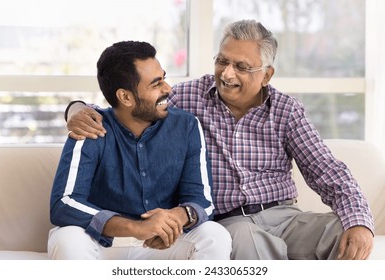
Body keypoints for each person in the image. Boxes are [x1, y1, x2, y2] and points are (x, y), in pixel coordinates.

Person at [64, 20, 374, 260]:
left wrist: (359, 222)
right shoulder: (188, 98)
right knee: (244, 239)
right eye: (222, 61)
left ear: (267, 75)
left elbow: (328, 171)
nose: (226, 74)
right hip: (229, 221)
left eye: (241, 66)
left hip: (285, 216)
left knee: (344, 232)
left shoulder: (286, 110)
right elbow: (132, 106)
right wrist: (77, 109)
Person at [48, 40, 232, 260]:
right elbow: (63, 203)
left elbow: (203, 202)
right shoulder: (89, 126)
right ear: (125, 97)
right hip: (102, 242)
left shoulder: (187, 126)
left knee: (215, 236)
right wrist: (135, 227)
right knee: (68, 239)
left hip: (163, 243)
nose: (168, 89)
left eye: (164, 78)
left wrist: (175, 217)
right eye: (156, 84)